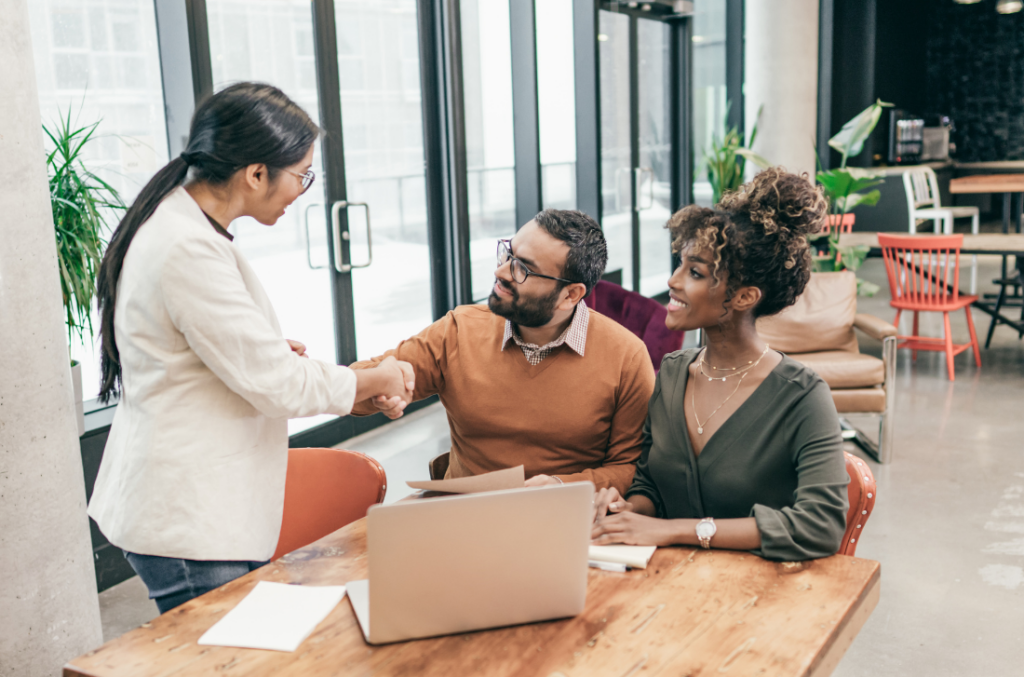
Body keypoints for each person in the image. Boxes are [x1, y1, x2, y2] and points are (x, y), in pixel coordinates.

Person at [88, 83, 414, 613]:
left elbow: (191, 347)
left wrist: (256, 349)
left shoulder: (180, 221)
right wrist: (374, 380)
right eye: (301, 175)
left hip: (191, 504)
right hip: (190, 519)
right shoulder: (187, 247)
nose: (302, 190)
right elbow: (277, 383)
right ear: (256, 173)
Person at [591, 167, 849, 561]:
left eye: (695, 272)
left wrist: (674, 530)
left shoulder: (802, 396)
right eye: (680, 264)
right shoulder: (674, 372)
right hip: (666, 583)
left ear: (744, 297)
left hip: (758, 597)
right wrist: (630, 511)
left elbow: (821, 525)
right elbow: (650, 484)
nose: (674, 281)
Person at [350, 210, 656, 494]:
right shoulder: (458, 331)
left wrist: (562, 485)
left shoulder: (626, 357)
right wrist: (378, 385)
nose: (502, 272)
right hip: (462, 516)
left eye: (523, 268)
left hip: (560, 520)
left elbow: (631, 468)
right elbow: (355, 389)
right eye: (508, 253)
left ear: (570, 295)